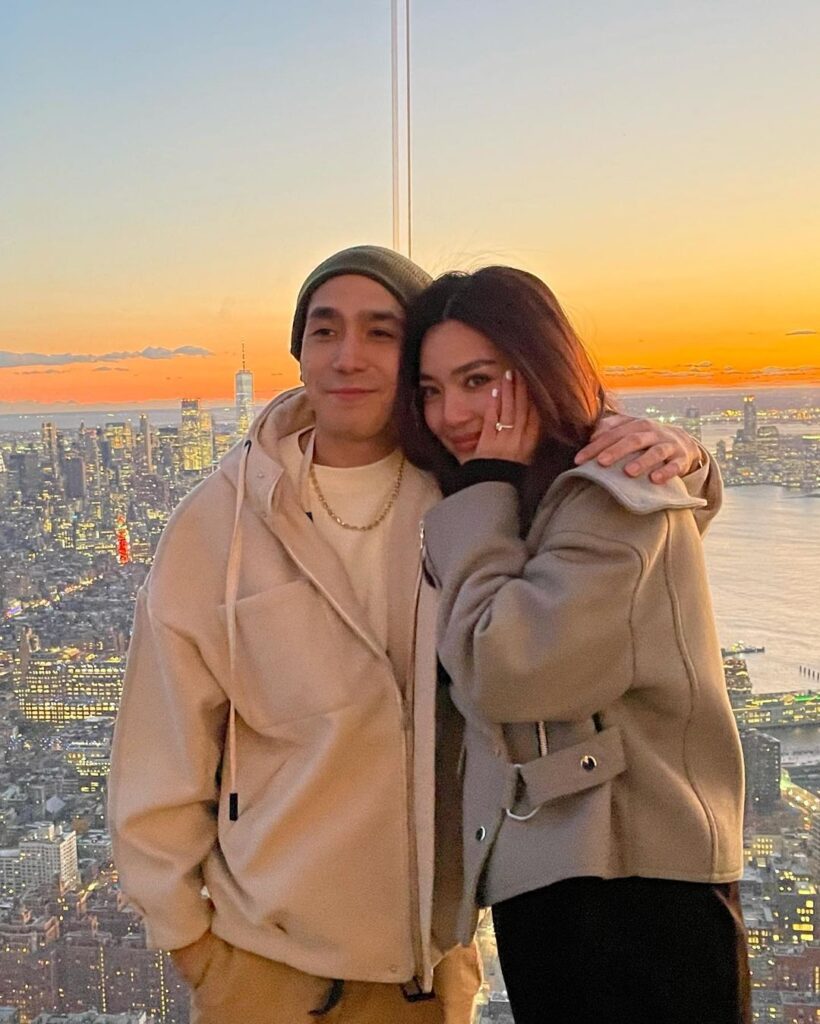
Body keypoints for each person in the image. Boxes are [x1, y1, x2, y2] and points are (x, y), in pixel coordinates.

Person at [108, 247, 721, 1024]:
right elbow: (160, 746)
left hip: (431, 976)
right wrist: (190, 944)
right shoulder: (215, 524)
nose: (348, 356)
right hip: (262, 970)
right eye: (324, 330)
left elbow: (602, 541)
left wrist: (683, 459)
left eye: (381, 331)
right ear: (298, 352)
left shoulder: (476, 491)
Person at [394, 265, 749, 1024]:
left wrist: (483, 487)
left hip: (635, 896)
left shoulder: (600, 495)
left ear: (539, 369)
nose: (451, 413)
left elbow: (505, 672)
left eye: (478, 380)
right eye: (430, 390)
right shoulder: (541, 496)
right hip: (562, 881)